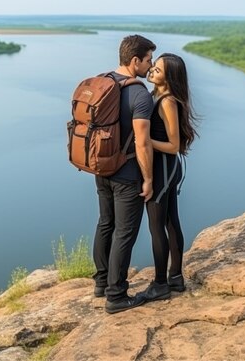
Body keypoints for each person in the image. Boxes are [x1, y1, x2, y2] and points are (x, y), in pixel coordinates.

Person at [92, 35, 156, 314]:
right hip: (127, 173)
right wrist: (149, 179)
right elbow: (142, 142)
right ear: (135, 61)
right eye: (148, 60)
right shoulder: (139, 93)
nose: (150, 66)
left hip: (101, 167)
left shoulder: (103, 81)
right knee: (125, 232)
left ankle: (101, 282)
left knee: (105, 223)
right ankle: (116, 296)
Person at [139, 53, 198, 302]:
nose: (152, 70)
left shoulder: (167, 102)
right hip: (167, 168)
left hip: (164, 168)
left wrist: (142, 141)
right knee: (171, 222)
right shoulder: (156, 96)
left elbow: (173, 145)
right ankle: (175, 278)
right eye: (153, 65)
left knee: (157, 226)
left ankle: (161, 283)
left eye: (159, 70)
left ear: (170, 77)